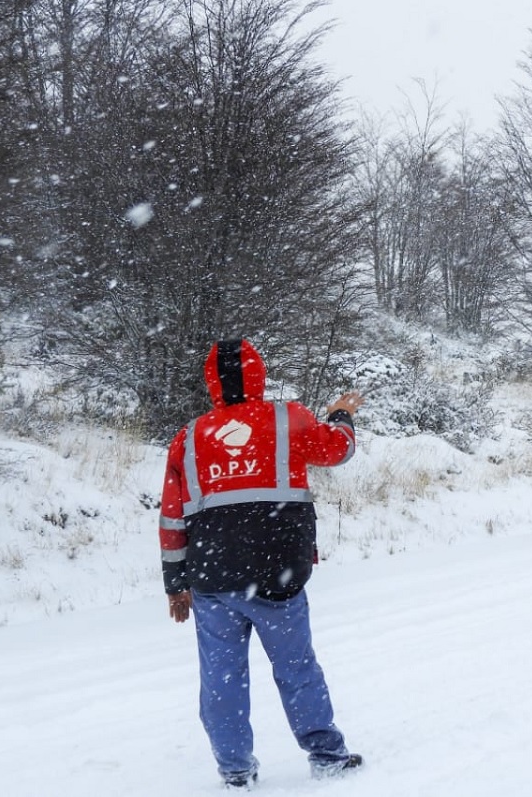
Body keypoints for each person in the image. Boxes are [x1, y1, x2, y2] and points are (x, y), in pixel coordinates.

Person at [158, 338, 364, 790]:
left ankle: (235, 771)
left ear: (211, 381)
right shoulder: (287, 418)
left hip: (212, 578)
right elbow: (337, 451)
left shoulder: (190, 437)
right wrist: (342, 414)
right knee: (297, 667)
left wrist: (176, 582)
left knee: (221, 677)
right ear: (258, 375)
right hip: (277, 575)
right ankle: (326, 754)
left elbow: (172, 515)